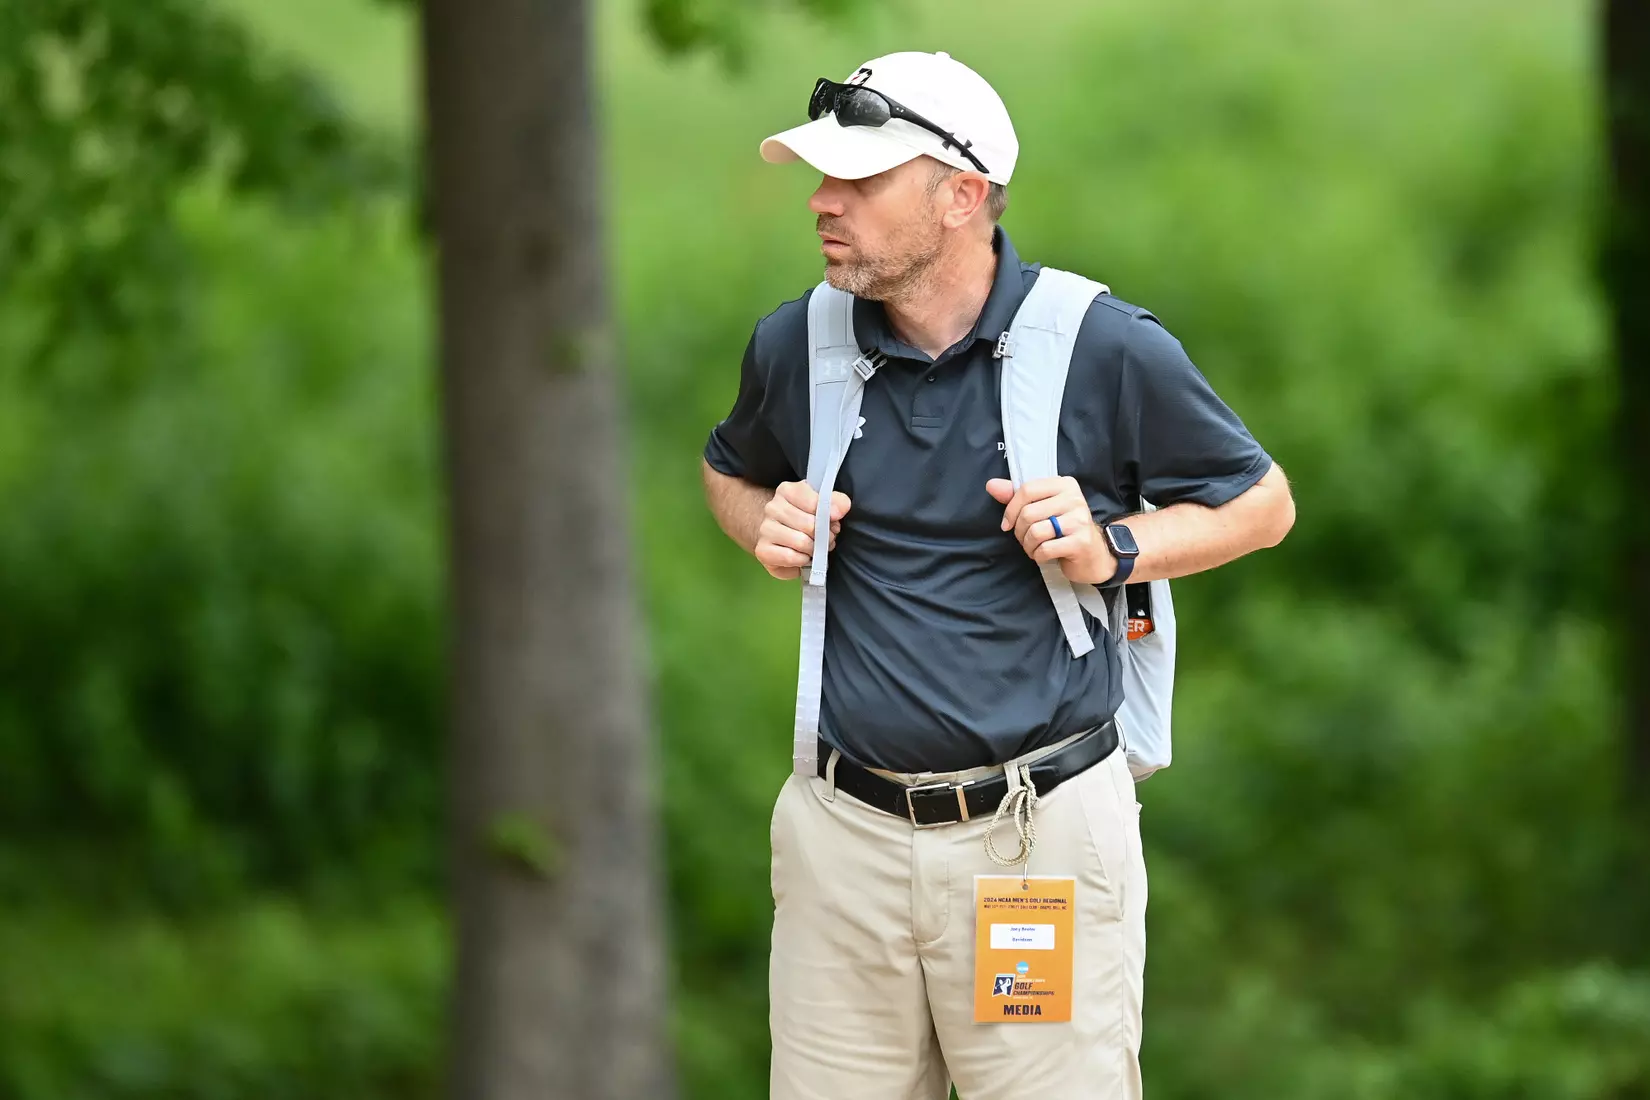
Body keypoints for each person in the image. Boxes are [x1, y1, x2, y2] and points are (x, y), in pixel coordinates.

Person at [699, 49, 1295, 1100]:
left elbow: (1263, 506)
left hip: (1036, 847)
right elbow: (726, 472)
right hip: (843, 843)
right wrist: (764, 519)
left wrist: (1113, 544)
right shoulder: (798, 343)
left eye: (859, 182)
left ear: (961, 197)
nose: (821, 202)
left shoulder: (1104, 346)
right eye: (822, 176)